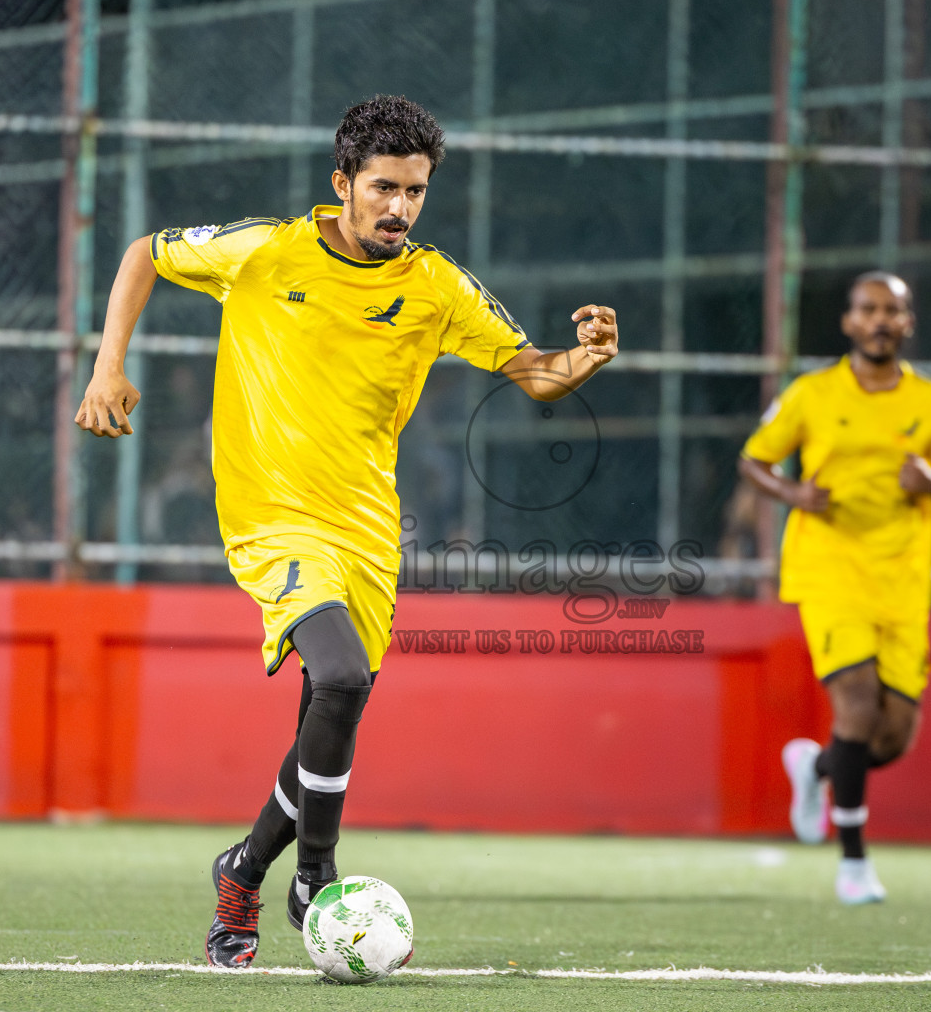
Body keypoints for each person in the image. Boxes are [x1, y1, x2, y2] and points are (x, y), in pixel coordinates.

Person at [74, 95, 619, 968]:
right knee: (337, 674)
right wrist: (107, 366)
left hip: (367, 528)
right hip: (272, 516)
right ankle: (315, 876)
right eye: (383, 188)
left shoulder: (436, 287)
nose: (400, 208)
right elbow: (144, 252)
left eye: (416, 190)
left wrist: (579, 360)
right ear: (343, 184)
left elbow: (532, 374)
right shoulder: (267, 250)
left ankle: (244, 870)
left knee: (332, 709)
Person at [737, 271, 931, 904]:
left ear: (907, 323)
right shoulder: (812, 394)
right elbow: (755, 459)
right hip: (829, 568)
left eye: (892, 311)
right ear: (848, 322)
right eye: (868, 309)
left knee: (890, 737)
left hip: (901, 580)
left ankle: (813, 769)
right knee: (858, 705)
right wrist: (794, 493)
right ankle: (854, 864)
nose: (879, 320)